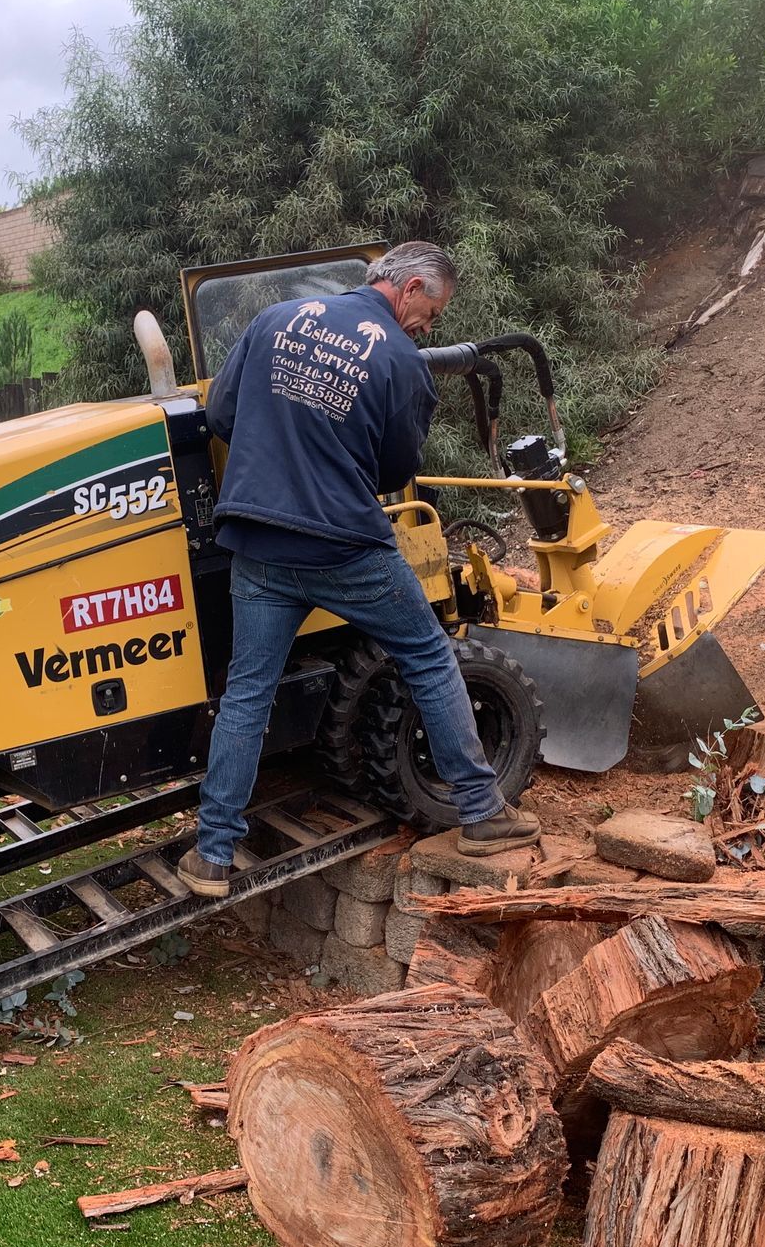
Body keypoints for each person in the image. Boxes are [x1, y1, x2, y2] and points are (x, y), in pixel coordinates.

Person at [177, 241, 541, 898]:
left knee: (249, 691)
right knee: (429, 656)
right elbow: (395, 471)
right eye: (432, 311)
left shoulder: (274, 320)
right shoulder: (401, 360)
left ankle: (212, 855)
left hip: (258, 545)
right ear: (409, 289)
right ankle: (483, 813)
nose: (430, 326)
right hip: (346, 548)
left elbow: (223, 416)